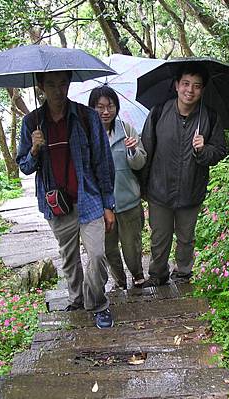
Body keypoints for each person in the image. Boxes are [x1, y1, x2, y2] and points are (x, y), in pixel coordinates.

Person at [16, 71, 116, 329]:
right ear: (41, 87)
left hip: (89, 198)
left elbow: (103, 163)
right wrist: (35, 149)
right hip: (56, 204)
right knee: (69, 257)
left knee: (96, 255)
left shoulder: (87, 117)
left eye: (63, 83)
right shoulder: (32, 123)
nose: (58, 90)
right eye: (51, 84)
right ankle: (76, 299)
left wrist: (108, 205)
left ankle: (98, 303)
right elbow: (25, 167)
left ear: (69, 84)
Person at [140, 63, 227, 287]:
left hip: (191, 189)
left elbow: (218, 152)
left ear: (202, 90)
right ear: (177, 85)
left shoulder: (209, 117)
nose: (190, 90)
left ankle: (184, 273)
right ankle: (158, 275)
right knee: (159, 238)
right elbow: (147, 149)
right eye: (186, 84)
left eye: (197, 86)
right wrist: (143, 186)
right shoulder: (159, 112)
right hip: (159, 188)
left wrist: (203, 149)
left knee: (186, 237)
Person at [88, 86, 147, 290]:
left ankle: (138, 274)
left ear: (116, 107)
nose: (106, 111)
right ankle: (119, 280)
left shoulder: (127, 129)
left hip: (128, 199)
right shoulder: (88, 134)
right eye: (100, 107)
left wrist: (133, 151)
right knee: (109, 248)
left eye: (110, 106)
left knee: (132, 245)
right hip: (102, 206)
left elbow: (139, 163)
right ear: (92, 108)